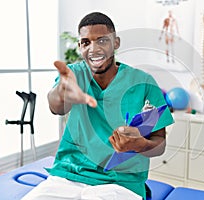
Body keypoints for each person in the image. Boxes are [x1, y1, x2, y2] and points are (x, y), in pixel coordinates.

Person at [22, 12, 174, 200]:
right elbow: (56, 107)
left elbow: (160, 144)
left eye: (102, 41)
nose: (93, 49)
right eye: (86, 42)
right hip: (67, 177)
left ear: (116, 43)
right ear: (80, 46)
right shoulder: (73, 74)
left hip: (120, 182)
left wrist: (141, 144)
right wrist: (63, 91)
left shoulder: (143, 83)